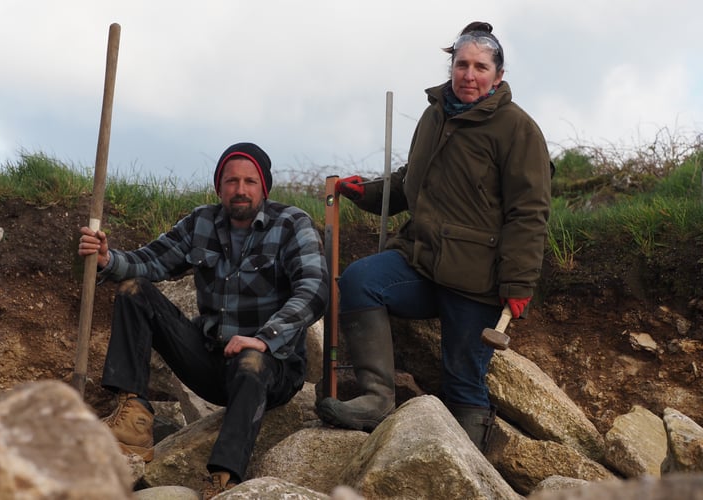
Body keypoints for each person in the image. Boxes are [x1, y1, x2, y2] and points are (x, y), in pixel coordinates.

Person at [315, 21, 552, 452]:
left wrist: (518, 285)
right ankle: (375, 399)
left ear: (498, 76)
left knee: (462, 383)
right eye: (462, 64)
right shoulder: (434, 114)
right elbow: (411, 183)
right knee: (360, 281)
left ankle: (467, 472)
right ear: (451, 68)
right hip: (421, 261)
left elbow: (529, 212)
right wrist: (363, 191)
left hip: (476, 280)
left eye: (481, 66)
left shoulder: (518, 130)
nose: (469, 74)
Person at [77, 142, 329, 497]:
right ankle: (134, 417)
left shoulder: (292, 224)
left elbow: (315, 290)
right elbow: (152, 261)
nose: (240, 190)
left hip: (272, 368)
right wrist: (107, 258)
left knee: (252, 360)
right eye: (231, 181)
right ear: (219, 187)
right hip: (212, 362)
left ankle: (223, 480)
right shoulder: (201, 222)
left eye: (249, 181)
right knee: (134, 289)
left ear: (264, 187)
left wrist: (264, 337)